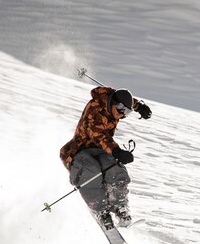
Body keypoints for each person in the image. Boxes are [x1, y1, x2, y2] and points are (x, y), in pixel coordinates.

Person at [60, 86, 152, 229]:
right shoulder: (94, 108)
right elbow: (98, 135)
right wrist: (116, 151)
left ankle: (120, 206)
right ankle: (101, 211)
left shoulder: (117, 104)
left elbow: (125, 101)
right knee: (91, 171)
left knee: (115, 168)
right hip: (79, 151)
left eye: (127, 112)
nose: (122, 114)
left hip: (101, 150)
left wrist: (138, 106)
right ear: (113, 102)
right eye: (121, 109)